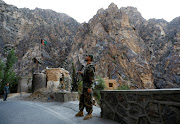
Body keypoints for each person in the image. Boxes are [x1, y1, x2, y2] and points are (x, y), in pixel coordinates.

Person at [75, 55, 95, 120]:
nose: (86, 57)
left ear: (90, 58)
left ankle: (89, 113)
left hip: (87, 86)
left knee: (88, 100)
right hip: (84, 85)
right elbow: (86, 77)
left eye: (88, 56)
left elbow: (91, 78)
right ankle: (81, 111)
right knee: (82, 99)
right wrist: (82, 74)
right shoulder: (86, 66)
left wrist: (90, 87)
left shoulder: (91, 67)